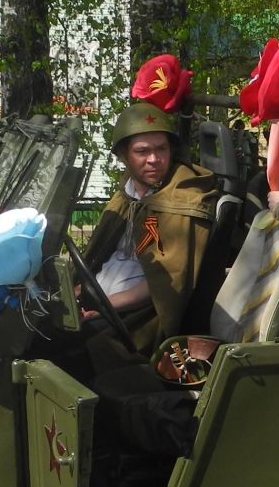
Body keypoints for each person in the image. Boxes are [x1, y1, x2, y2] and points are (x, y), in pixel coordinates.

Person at [83, 101, 221, 356]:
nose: (154, 160)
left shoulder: (180, 198)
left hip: (136, 319)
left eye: (161, 149)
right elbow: (98, 252)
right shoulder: (128, 192)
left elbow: (163, 284)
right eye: (142, 151)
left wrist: (104, 306)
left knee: (72, 349)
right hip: (98, 300)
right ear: (124, 155)